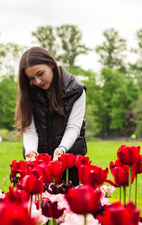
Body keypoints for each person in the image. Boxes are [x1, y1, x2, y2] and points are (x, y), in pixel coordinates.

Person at [14, 46, 87, 185]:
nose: (38, 81)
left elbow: (73, 127)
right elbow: (29, 129)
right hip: (40, 164)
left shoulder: (76, 90)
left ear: (51, 65)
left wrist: (62, 149)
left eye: (40, 74)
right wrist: (31, 151)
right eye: (32, 78)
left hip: (70, 161)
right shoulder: (29, 92)